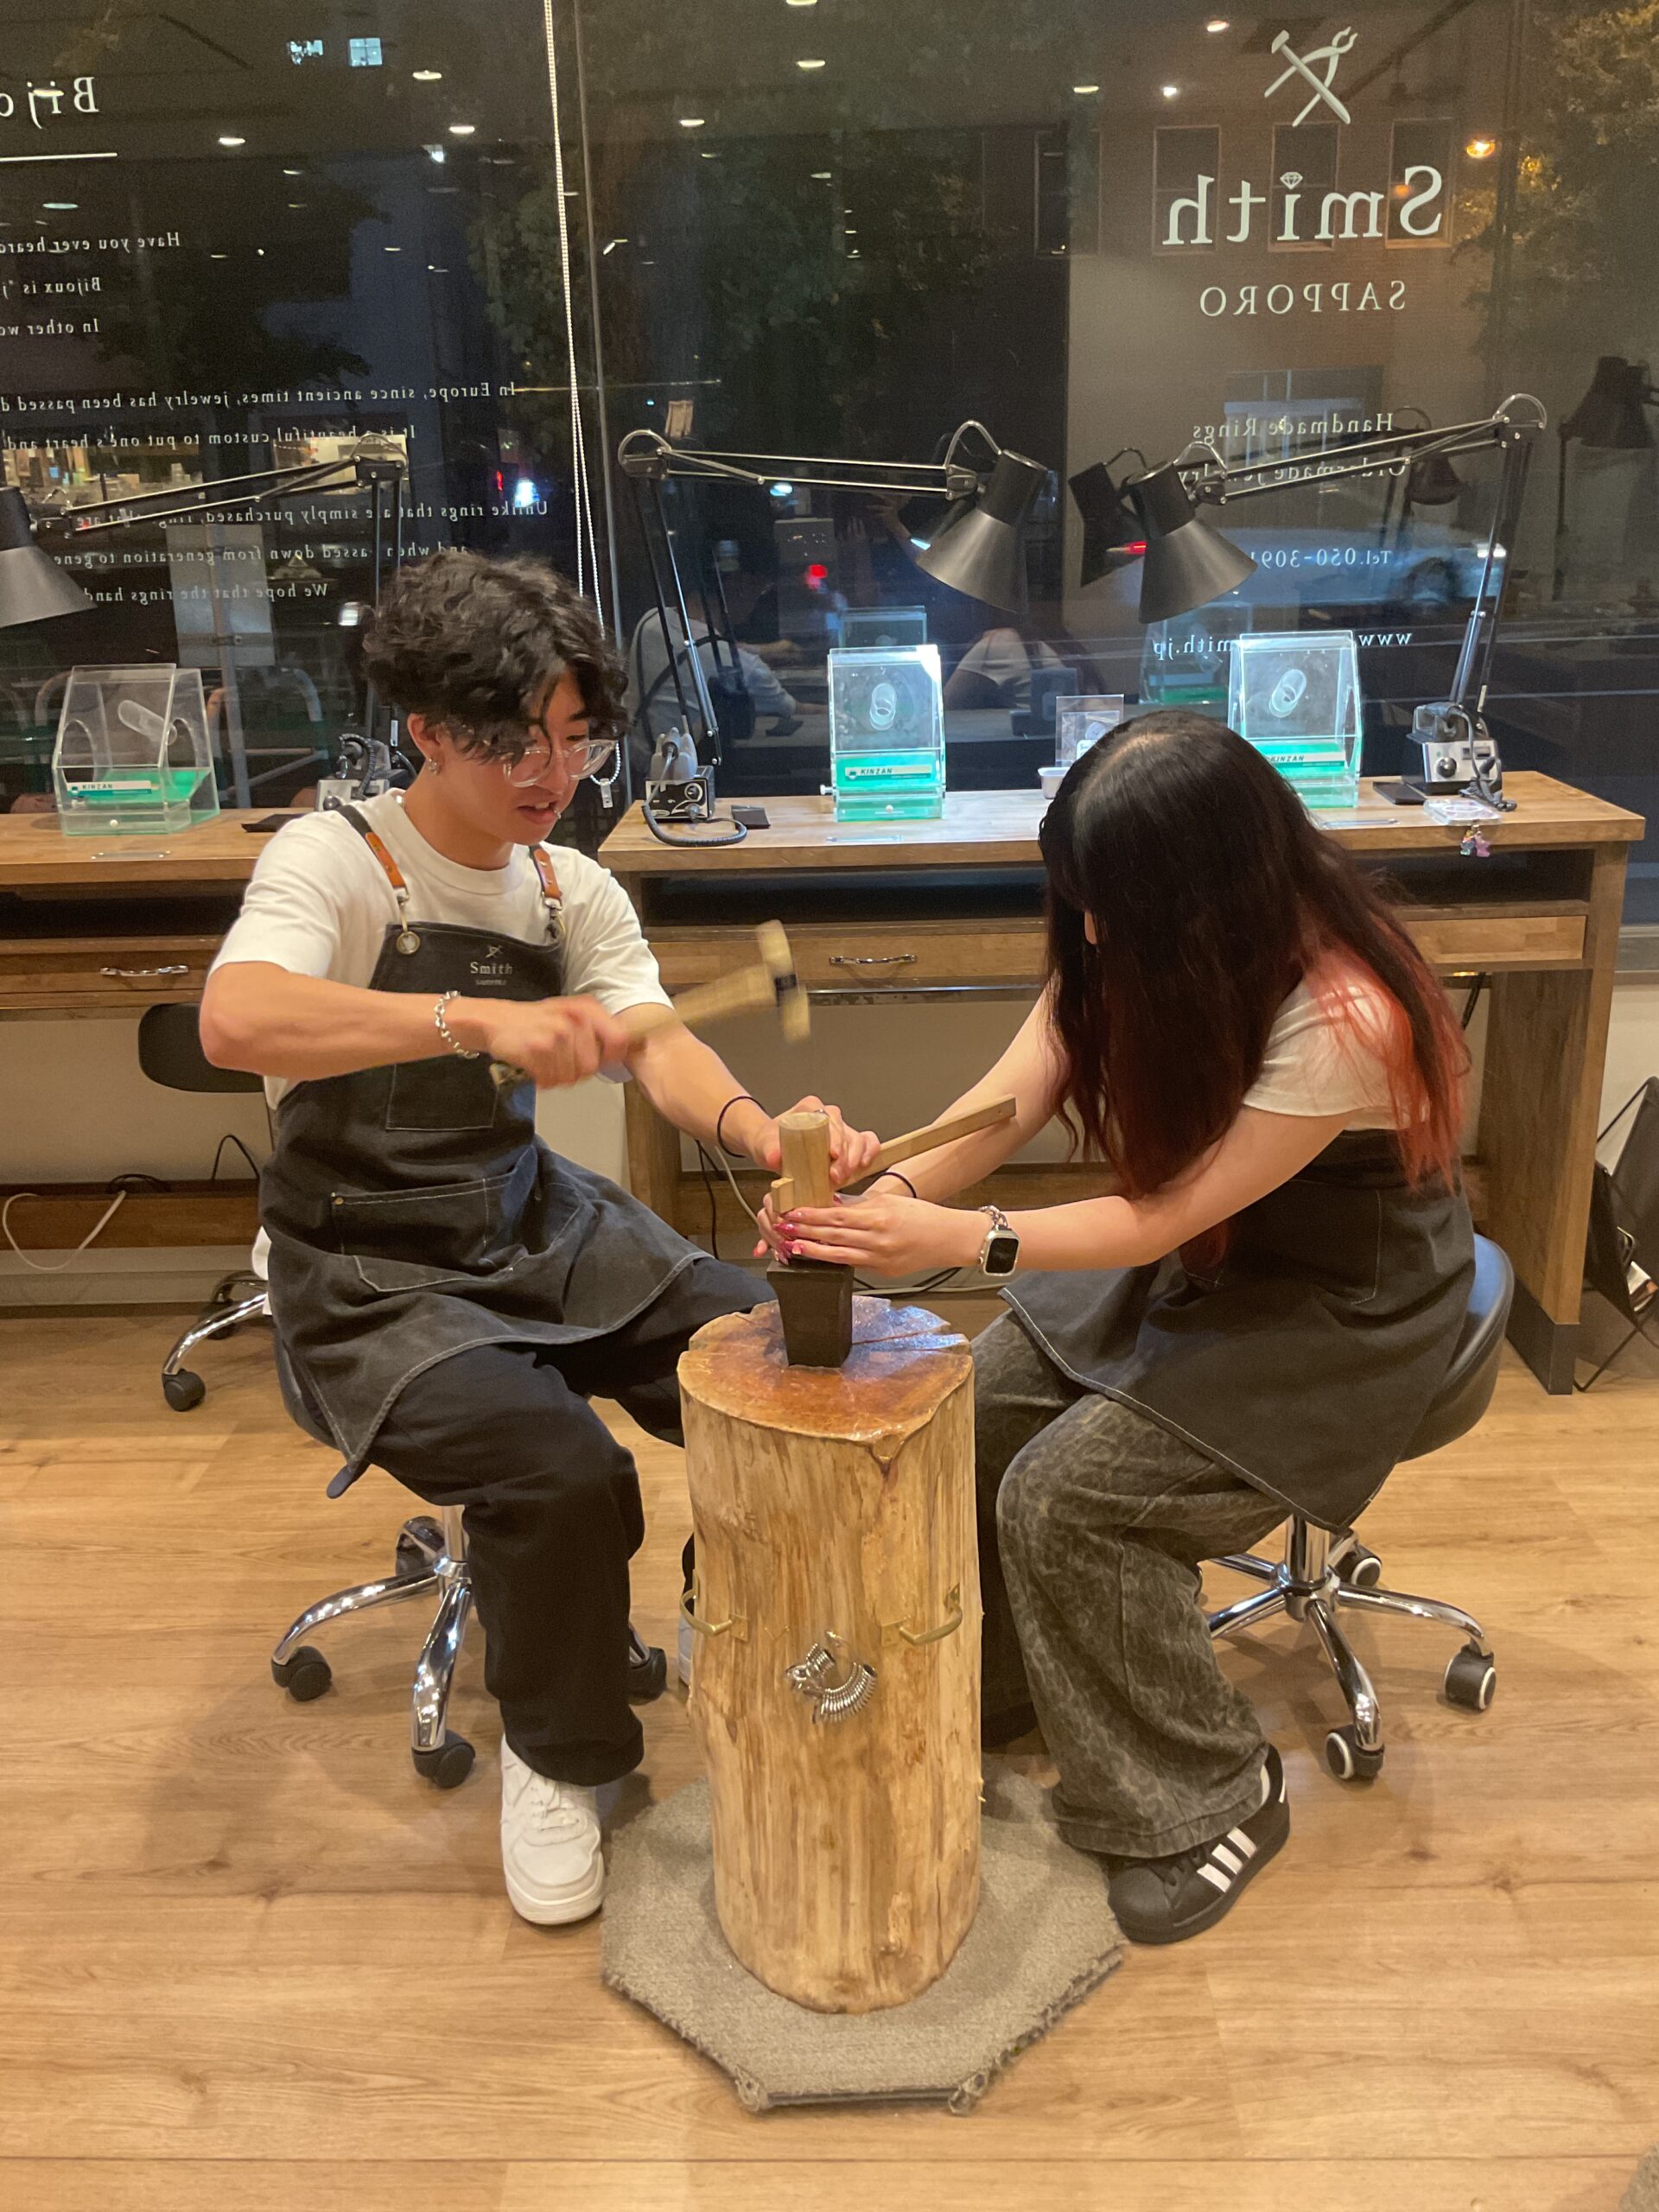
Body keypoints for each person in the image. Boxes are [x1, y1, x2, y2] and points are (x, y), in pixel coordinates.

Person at [200, 550, 877, 1929]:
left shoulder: (571, 890)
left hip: (524, 1221)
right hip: (366, 1267)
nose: (553, 774)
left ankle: (720, 1613)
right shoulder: (339, 861)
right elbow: (238, 1017)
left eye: (577, 741)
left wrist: (760, 1131)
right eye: (518, 741)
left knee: (777, 1356)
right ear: (429, 729)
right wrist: (472, 1019)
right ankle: (561, 1754)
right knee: (561, 1468)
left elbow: (658, 1043)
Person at [774, 709, 1473, 1946]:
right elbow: (1005, 1105)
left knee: (1067, 1501)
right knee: (967, 1416)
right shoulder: (1143, 937)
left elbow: (1163, 1216)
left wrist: (960, 1238)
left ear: (1202, 895)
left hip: (1338, 1299)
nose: (1091, 932)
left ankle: (1214, 1791)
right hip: (1215, 1260)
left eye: (1112, 908)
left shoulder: (1345, 1018)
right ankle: (1018, 1683)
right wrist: (887, 1196)